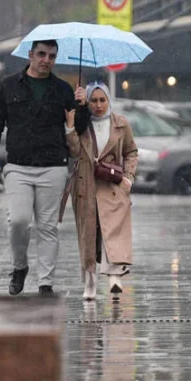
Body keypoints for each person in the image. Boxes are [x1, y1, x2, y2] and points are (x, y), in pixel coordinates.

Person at [0, 40, 79, 297]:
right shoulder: (9, 85)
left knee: (48, 226)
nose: (47, 60)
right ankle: (19, 266)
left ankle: (46, 282)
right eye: (42, 54)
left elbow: (79, 127)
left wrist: (83, 104)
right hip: (18, 166)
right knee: (19, 221)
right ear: (31, 55)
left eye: (52, 56)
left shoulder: (63, 89)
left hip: (54, 166)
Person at [65, 82, 138, 301]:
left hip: (113, 185)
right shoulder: (82, 123)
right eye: (94, 100)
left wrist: (128, 179)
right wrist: (71, 126)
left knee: (112, 230)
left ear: (108, 100)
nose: (98, 105)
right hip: (85, 185)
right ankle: (90, 281)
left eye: (102, 100)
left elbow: (131, 151)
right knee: (89, 234)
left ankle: (115, 276)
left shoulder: (121, 124)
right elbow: (75, 151)